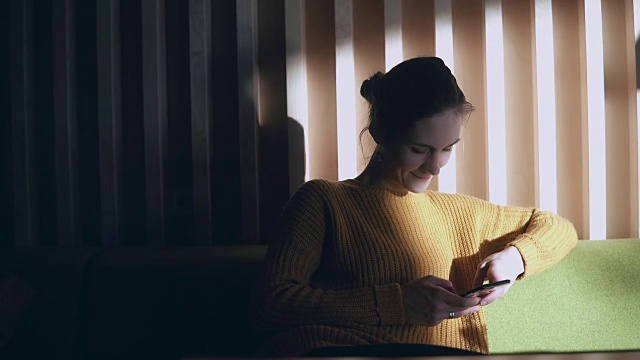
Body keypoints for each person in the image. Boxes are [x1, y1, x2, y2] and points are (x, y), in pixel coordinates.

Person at [250, 57, 578, 356]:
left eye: (447, 149)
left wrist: (515, 258)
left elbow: (557, 227)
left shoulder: (460, 214)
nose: (435, 167)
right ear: (380, 132)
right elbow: (273, 303)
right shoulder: (324, 201)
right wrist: (397, 305)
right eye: (420, 149)